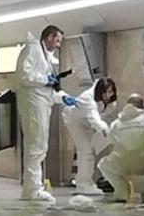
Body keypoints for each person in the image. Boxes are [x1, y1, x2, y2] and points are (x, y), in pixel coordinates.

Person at [16, 25, 79, 203]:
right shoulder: (33, 49)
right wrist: (45, 79)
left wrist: (62, 97)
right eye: (57, 41)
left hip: (41, 103)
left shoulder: (45, 56)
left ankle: (33, 188)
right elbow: (24, 76)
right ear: (49, 37)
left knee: (40, 146)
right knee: (36, 146)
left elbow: (45, 88)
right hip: (33, 104)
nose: (58, 45)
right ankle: (32, 189)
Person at [98, 94, 144, 203]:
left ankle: (122, 191)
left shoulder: (115, 124)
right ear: (142, 106)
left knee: (103, 165)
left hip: (121, 163)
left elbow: (112, 143)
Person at [62, 77, 117, 195]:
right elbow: (95, 119)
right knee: (85, 151)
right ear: (100, 91)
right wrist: (105, 131)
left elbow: (100, 116)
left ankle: (85, 182)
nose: (108, 95)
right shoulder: (88, 98)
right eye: (106, 92)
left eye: (111, 92)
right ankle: (83, 185)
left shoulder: (108, 101)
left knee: (89, 151)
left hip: (87, 122)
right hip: (74, 121)